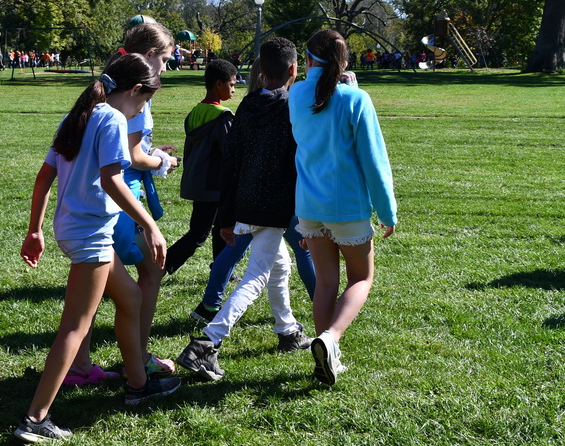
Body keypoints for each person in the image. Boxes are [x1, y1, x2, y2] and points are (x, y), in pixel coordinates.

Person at [15, 54, 180, 443]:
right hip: (89, 233)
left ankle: (137, 384)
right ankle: (35, 418)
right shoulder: (112, 119)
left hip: (77, 230)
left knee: (131, 300)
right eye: (144, 101)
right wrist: (151, 225)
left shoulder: (80, 115)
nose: (142, 109)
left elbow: (44, 178)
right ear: (137, 90)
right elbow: (112, 180)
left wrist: (35, 230)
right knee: (76, 325)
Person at [177, 38, 311, 381]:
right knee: (257, 276)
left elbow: (230, 164)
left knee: (278, 267)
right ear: (295, 70)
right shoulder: (292, 108)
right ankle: (207, 343)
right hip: (274, 206)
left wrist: (226, 214)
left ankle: (288, 331)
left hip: (245, 202)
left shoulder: (247, 105)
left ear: (260, 71)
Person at [67, 22, 180, 386]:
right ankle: (138, 362)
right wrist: (161, 162)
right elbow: (127, 159)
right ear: (147, 57)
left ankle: (82, 363)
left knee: (99, 286)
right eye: (164, 59)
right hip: (118, 206)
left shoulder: (107, 87)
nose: (165, 66)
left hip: (92, 210)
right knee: (147, 275)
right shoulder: (130, 97)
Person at [289, 29, 397, 386]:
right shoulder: (356, 99)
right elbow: (374, 159)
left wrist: (345, 84)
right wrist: (387, 211)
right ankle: (331, 338)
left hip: (308, 205)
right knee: (362, 278)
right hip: (347, 207)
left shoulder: (296, 94)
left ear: (307, 60)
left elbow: (320, 97)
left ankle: (327, 357)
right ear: (345, 61)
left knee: (325, 283)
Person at [164, 59, 237, 276]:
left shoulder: (195, 111)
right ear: (218, 84)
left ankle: (222, 270)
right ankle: (162, 265)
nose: (233, 89)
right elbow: (229, 154)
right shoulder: (222, 116)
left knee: (219, 229)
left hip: (197, 181)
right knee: (199, 234)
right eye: (231, 84)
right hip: (214, 185)